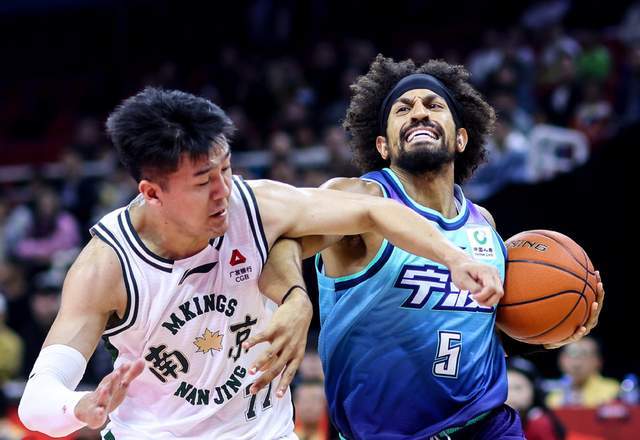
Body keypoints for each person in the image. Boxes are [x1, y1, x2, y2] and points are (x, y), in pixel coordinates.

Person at [18, 87, 502, 439]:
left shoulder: (255, 205)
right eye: (203, 181)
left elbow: (374, 210)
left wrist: (452, 257)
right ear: (152, 192)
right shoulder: (107, 265)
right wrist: (80, 406)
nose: (223, 191)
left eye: (226, 168)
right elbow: (38, 397)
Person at [265, 55, 605, 439]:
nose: (419, 113)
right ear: (383, 145)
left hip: (487, 425)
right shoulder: (360, 197)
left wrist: (551, 331)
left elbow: (477, 336)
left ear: (461, 138)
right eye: (403, 109)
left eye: (433, 105)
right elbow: (280, 241)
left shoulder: (483, 224)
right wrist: (295, 299)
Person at [546, 337, 619, 408]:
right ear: (561, 360)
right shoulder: (553, 395)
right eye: (571, 354)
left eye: (584, 354)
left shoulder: (612, 390)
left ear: (598, 361)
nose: (577, 363)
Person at [506, 357, 565, 440]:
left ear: (534, 391)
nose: (511, 394)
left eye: (517, 388)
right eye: (506, 389)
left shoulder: (540, 423)